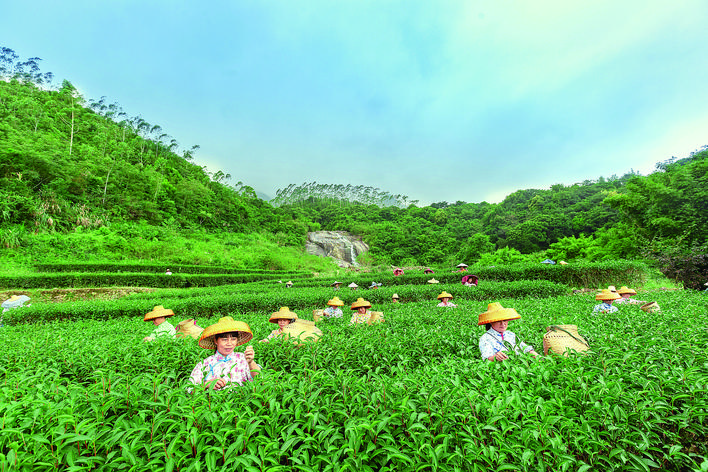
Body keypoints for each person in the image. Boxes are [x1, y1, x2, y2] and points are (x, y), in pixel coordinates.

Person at [190, 317, 259, 391]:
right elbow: (190, 389)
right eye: (224, 339)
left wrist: (251, 362)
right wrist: (207, 384)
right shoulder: (205, 363)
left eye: (233, 339)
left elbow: (259, 380)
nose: (229, 343)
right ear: (216, 341)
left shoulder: (242, 358)